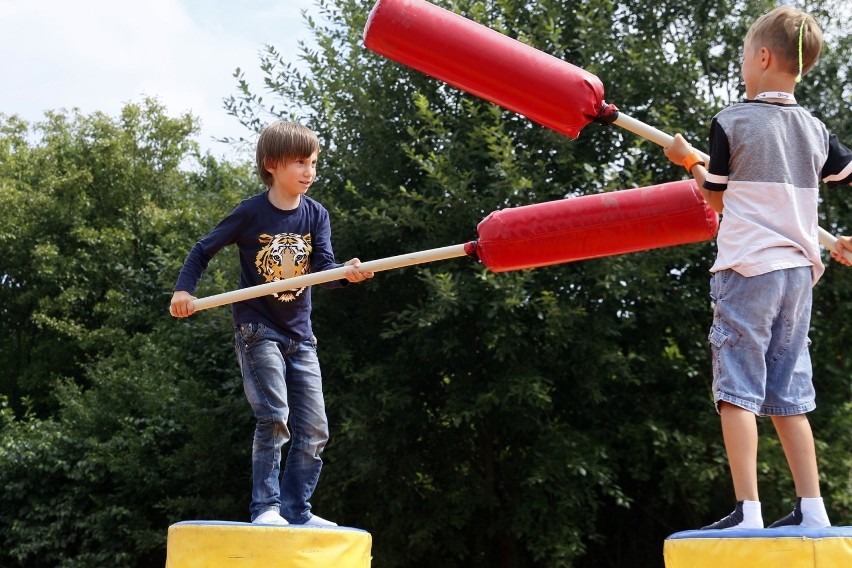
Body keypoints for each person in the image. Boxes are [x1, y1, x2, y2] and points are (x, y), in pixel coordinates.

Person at [663, 7, 852, 530]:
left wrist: (687, 160)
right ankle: (812, 509)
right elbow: (840, 176)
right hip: (798, 276)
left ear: (763, 58)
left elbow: (715, 199)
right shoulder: (816, 131)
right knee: (790, 395)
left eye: (746, 55)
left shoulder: (732, 121)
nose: (744, 64)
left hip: (748, 270)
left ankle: (748, 511)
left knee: (736, 390)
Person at [170, 121, 373, 526]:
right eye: (300, 162)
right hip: (258, 328)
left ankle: (297, 511)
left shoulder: (317, 215)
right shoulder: (250, 213)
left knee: (315, 429)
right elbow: (202, 250)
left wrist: (346, 271)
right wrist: (183, 291)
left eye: (313, 162)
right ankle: (266, 507)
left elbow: (324, 269)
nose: (309, 171)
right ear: (271, 164)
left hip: (302, 335)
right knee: (274, 414)